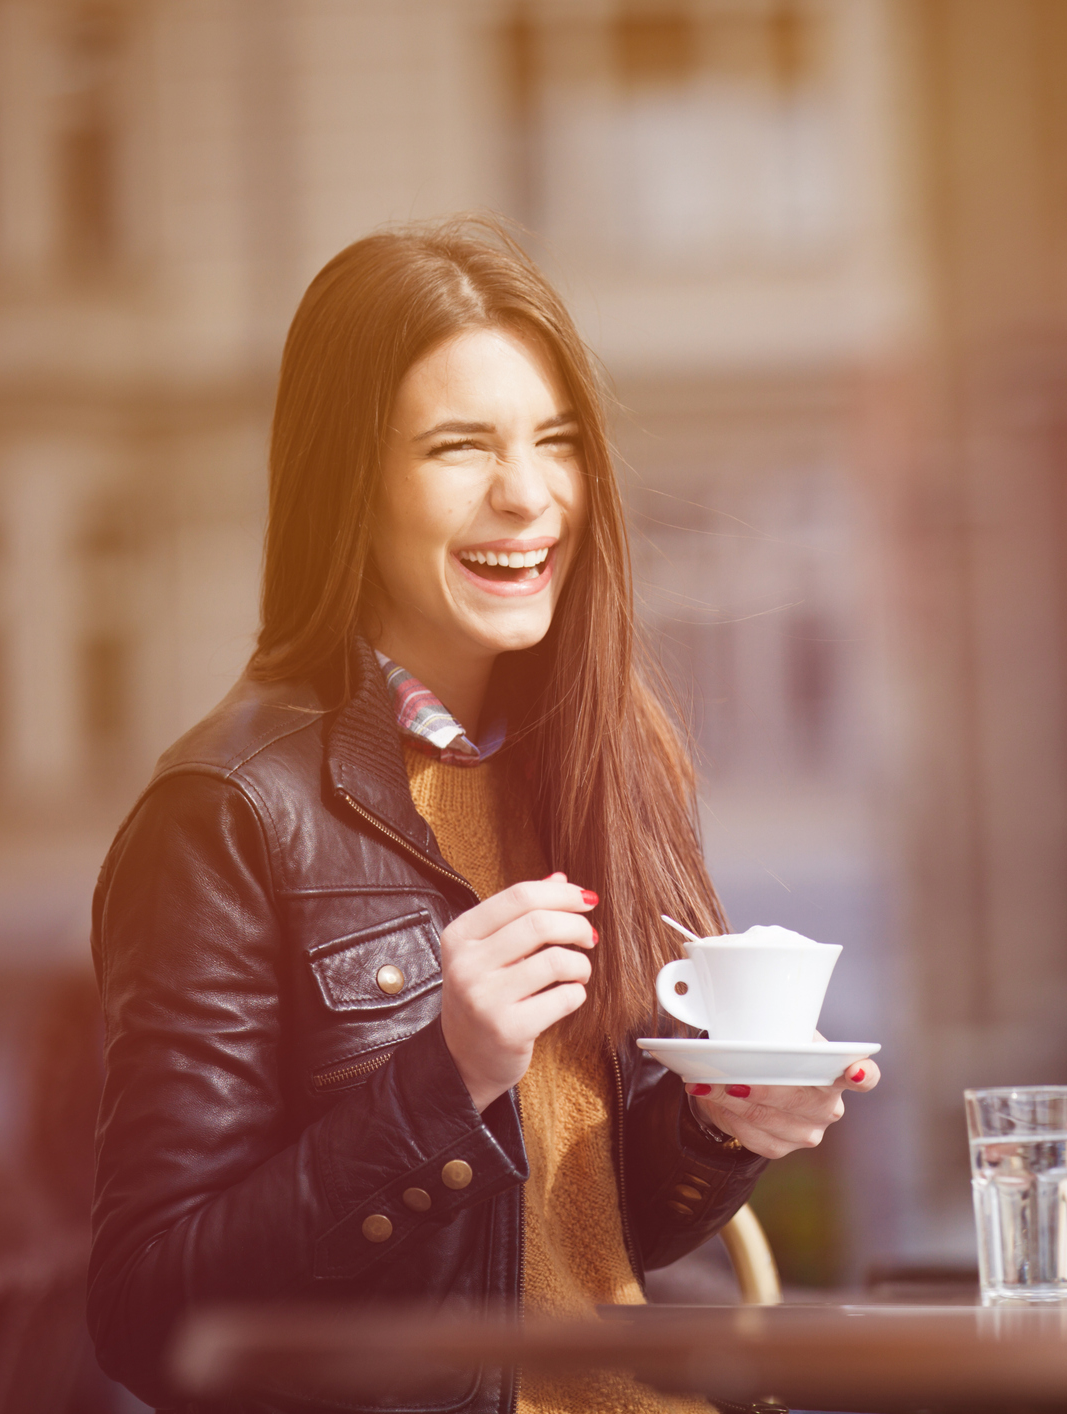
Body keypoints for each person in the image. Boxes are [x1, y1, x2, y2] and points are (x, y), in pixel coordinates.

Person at [87, 218, 878, 1414]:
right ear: (348, 483)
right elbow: (150, 1314)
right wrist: (441, 1080)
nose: (527, 496)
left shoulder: (603, 759)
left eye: (556, 442)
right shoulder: (227, 814)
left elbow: (588, 1239)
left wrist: (726, 1125)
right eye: (460, 447)